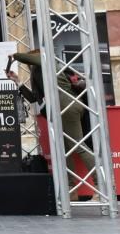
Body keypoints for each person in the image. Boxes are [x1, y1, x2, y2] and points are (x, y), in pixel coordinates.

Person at [6, 49, 97, 198]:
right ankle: (70, 191)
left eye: (31, 58)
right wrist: (17, 82)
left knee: (79, 146)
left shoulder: (47, 61)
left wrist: (15, 56)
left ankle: (103, 185)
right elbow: (34, 98)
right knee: (65, 150)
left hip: (66, 104)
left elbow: (36, 59)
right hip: (59, 108)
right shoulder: (39, 74)